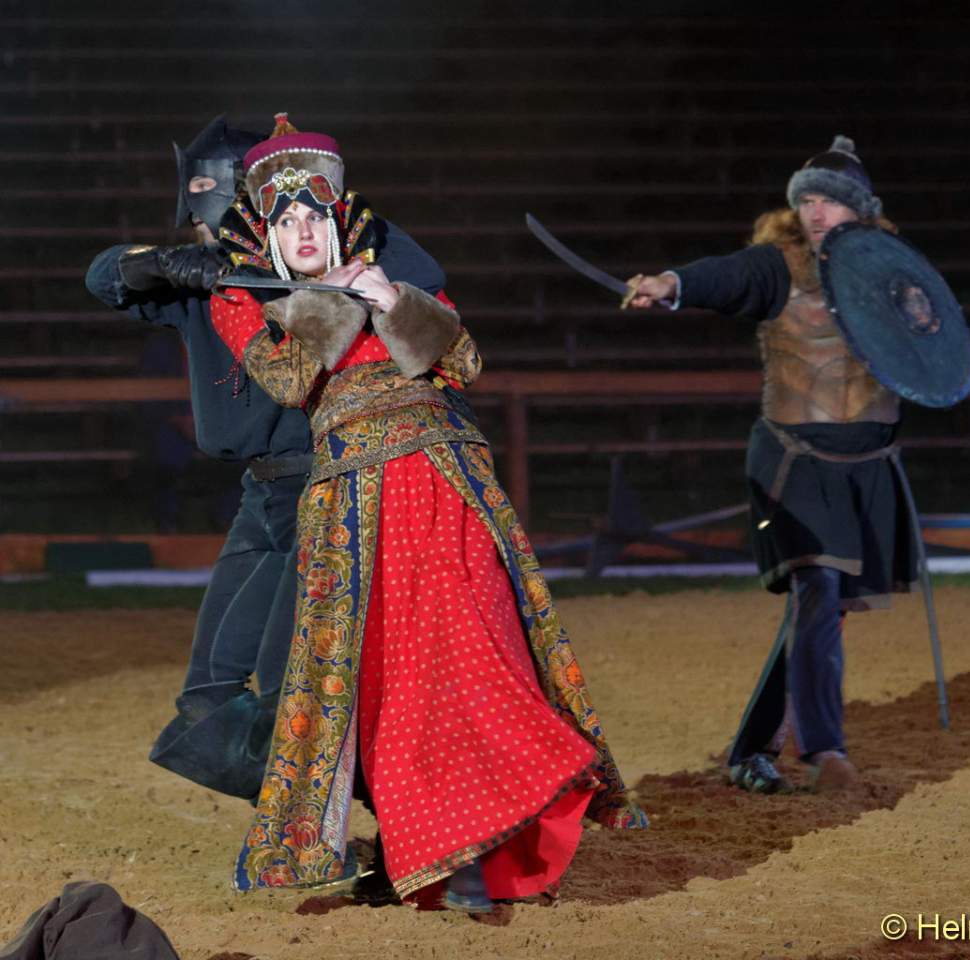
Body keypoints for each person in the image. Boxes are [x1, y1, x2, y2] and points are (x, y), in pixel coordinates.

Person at [210, 114, 646, 911]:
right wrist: (341, 299)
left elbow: (465, 362)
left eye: (315, 213)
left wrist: (393, 298)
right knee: (397, 688)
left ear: (337, 216)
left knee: (478, 657)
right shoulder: (245, 299)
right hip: (355, 507)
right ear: (265, 230)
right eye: (286, 217)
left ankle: (494, 836)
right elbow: (290, 379)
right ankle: (439, 856)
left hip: (451, 484)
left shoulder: (392, 279)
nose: (302, 228)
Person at [84, 116, 448, 800]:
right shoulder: (200, 287)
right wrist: (163, 263)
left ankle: (380, 816)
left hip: (326, 489)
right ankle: (306, 812)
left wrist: (327, 250)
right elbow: (103, 278)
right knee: (206, 699)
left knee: (293, 682)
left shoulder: (320, 269)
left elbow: (425, 278)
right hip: (261, 499)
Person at [626, 136, 918, 794]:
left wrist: (922, 319)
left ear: (860, 210)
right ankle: (825, 751)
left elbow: (930, 347)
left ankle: (752, 752)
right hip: (794, 464)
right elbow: (722, 276)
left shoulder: (891, 273)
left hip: (866, 466)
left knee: (823, 610)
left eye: (830, 202)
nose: (816, 212)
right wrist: (670, 285)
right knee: (819, 586)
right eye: (807, 200)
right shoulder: (777, 266)